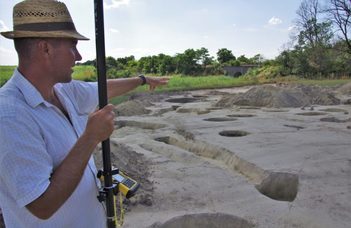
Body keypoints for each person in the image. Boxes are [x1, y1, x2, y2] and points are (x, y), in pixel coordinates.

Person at [0, 0, 168, 227]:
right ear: (45, 48)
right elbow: (42, 205)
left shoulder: (61, 90)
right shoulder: (9, 114)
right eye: (72, 46)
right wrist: (90, 138)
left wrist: (142, 80)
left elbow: (104, 88)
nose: (78, 56)